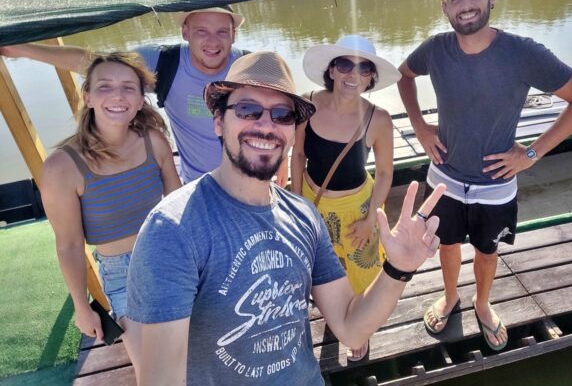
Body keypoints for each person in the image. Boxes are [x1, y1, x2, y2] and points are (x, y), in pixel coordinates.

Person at [126, 51, 446, 386]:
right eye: (248, 110)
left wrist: (398, 270)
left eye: (282, 115)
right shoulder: (173, 228)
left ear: (293, 132)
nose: (266, 126)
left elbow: (351, 329)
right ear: (219, 121)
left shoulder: (304, 216)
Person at [397, 0, 572, 351]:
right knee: (448, 244)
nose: (465, 5)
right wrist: (420, 126)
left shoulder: (522, 53)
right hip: (445, 178)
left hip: (496, 184)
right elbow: (403, 76)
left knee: (487, 250)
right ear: (444, 8)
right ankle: (451, 295)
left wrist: (531, 154)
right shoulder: (436, 49)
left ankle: (483, 303)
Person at [0, 5, 288, 185]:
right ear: (185, 31)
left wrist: (283, 171)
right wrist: (23, 49)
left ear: (234, 35)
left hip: (255, 181)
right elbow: (93, 63)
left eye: (222, 32)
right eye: (202, 31)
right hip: (200, 185)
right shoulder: (165, 62)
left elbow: (284, 120)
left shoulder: (251, 67)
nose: (212, 42)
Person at [39, 52, 182, 380]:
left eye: (128, 87)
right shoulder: (62, 167)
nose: (118, 96)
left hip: (171, 259)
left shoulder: (154, 141)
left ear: (139, 99)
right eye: (105, 86)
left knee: (202, 353)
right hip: (122, 275)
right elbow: (70, 245)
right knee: (156, 374)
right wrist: (81, 305)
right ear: (87, 97)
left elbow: (178, 209)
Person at [290, 35, 400, 361]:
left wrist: (371, 218)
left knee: (357, 269)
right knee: (320, 266)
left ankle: (357, 326)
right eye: (345, 64)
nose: (353, 74)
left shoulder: (378, 119)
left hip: (357, 206)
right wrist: (298, 204)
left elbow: (383, 174)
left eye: (364, 68)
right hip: (314, 199)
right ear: (332, 71)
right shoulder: (306, 105)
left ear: (370, 78)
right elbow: (297, 156)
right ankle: (330, 313)